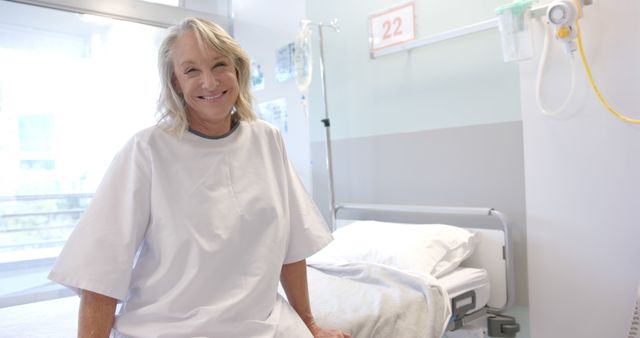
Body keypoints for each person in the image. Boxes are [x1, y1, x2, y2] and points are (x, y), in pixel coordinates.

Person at [48, 17, 351, 338]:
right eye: (192, 70)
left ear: (237, 70)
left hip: (266, 325)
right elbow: (100, 271)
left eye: (219, 65)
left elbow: (292, 247)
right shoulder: (147, 150)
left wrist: (310, 325)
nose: (209, 82)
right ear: (176, 81)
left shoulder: (267, 140)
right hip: (166, 329)